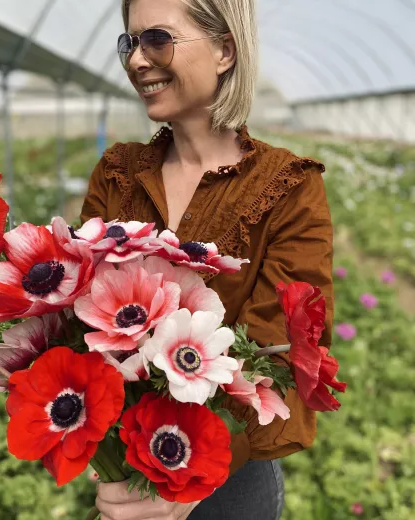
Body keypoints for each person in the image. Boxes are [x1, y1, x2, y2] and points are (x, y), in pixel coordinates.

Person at [80, 0, 334, 518]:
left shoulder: (287, 189)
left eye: (157, 38)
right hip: (125, 474)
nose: (136, 61)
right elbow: (77, 316)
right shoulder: (117, 173)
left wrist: (188, 482)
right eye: (130, 42)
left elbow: (278, 358)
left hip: (226, 483)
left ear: (224, 50)